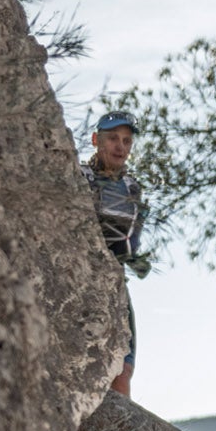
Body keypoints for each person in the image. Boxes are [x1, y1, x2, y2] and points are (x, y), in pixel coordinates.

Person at [84, 109, 151, 397]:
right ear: (96, 139)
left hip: (116, 283)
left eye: (126, 141)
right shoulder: (78, 176)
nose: (120, 147)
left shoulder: (132, 187)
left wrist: (134, 259)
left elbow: (130, 240)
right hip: (83, 280)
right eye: (113, 139)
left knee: (124, 371)